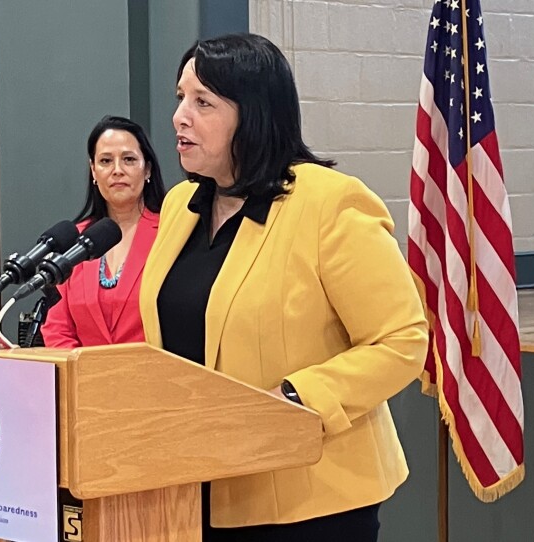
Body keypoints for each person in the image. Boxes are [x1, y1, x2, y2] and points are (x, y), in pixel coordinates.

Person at [138, 33, 428, 541]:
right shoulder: (180, 205)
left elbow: (401, 340)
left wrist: (293, 400)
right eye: (179, 97)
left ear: (252, 113)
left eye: (202, 102)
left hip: (311, 499)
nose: (180, 116)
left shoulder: (330, 203)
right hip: (192, 487)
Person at [42, 115, 166, 348]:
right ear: (93, 171)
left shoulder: (171, 232)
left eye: (129, 159)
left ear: (147, 169)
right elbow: (57, 329)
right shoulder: (73, 241)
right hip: (86, 378)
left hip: (157, 377)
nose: (117, 170)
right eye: (106, 161)